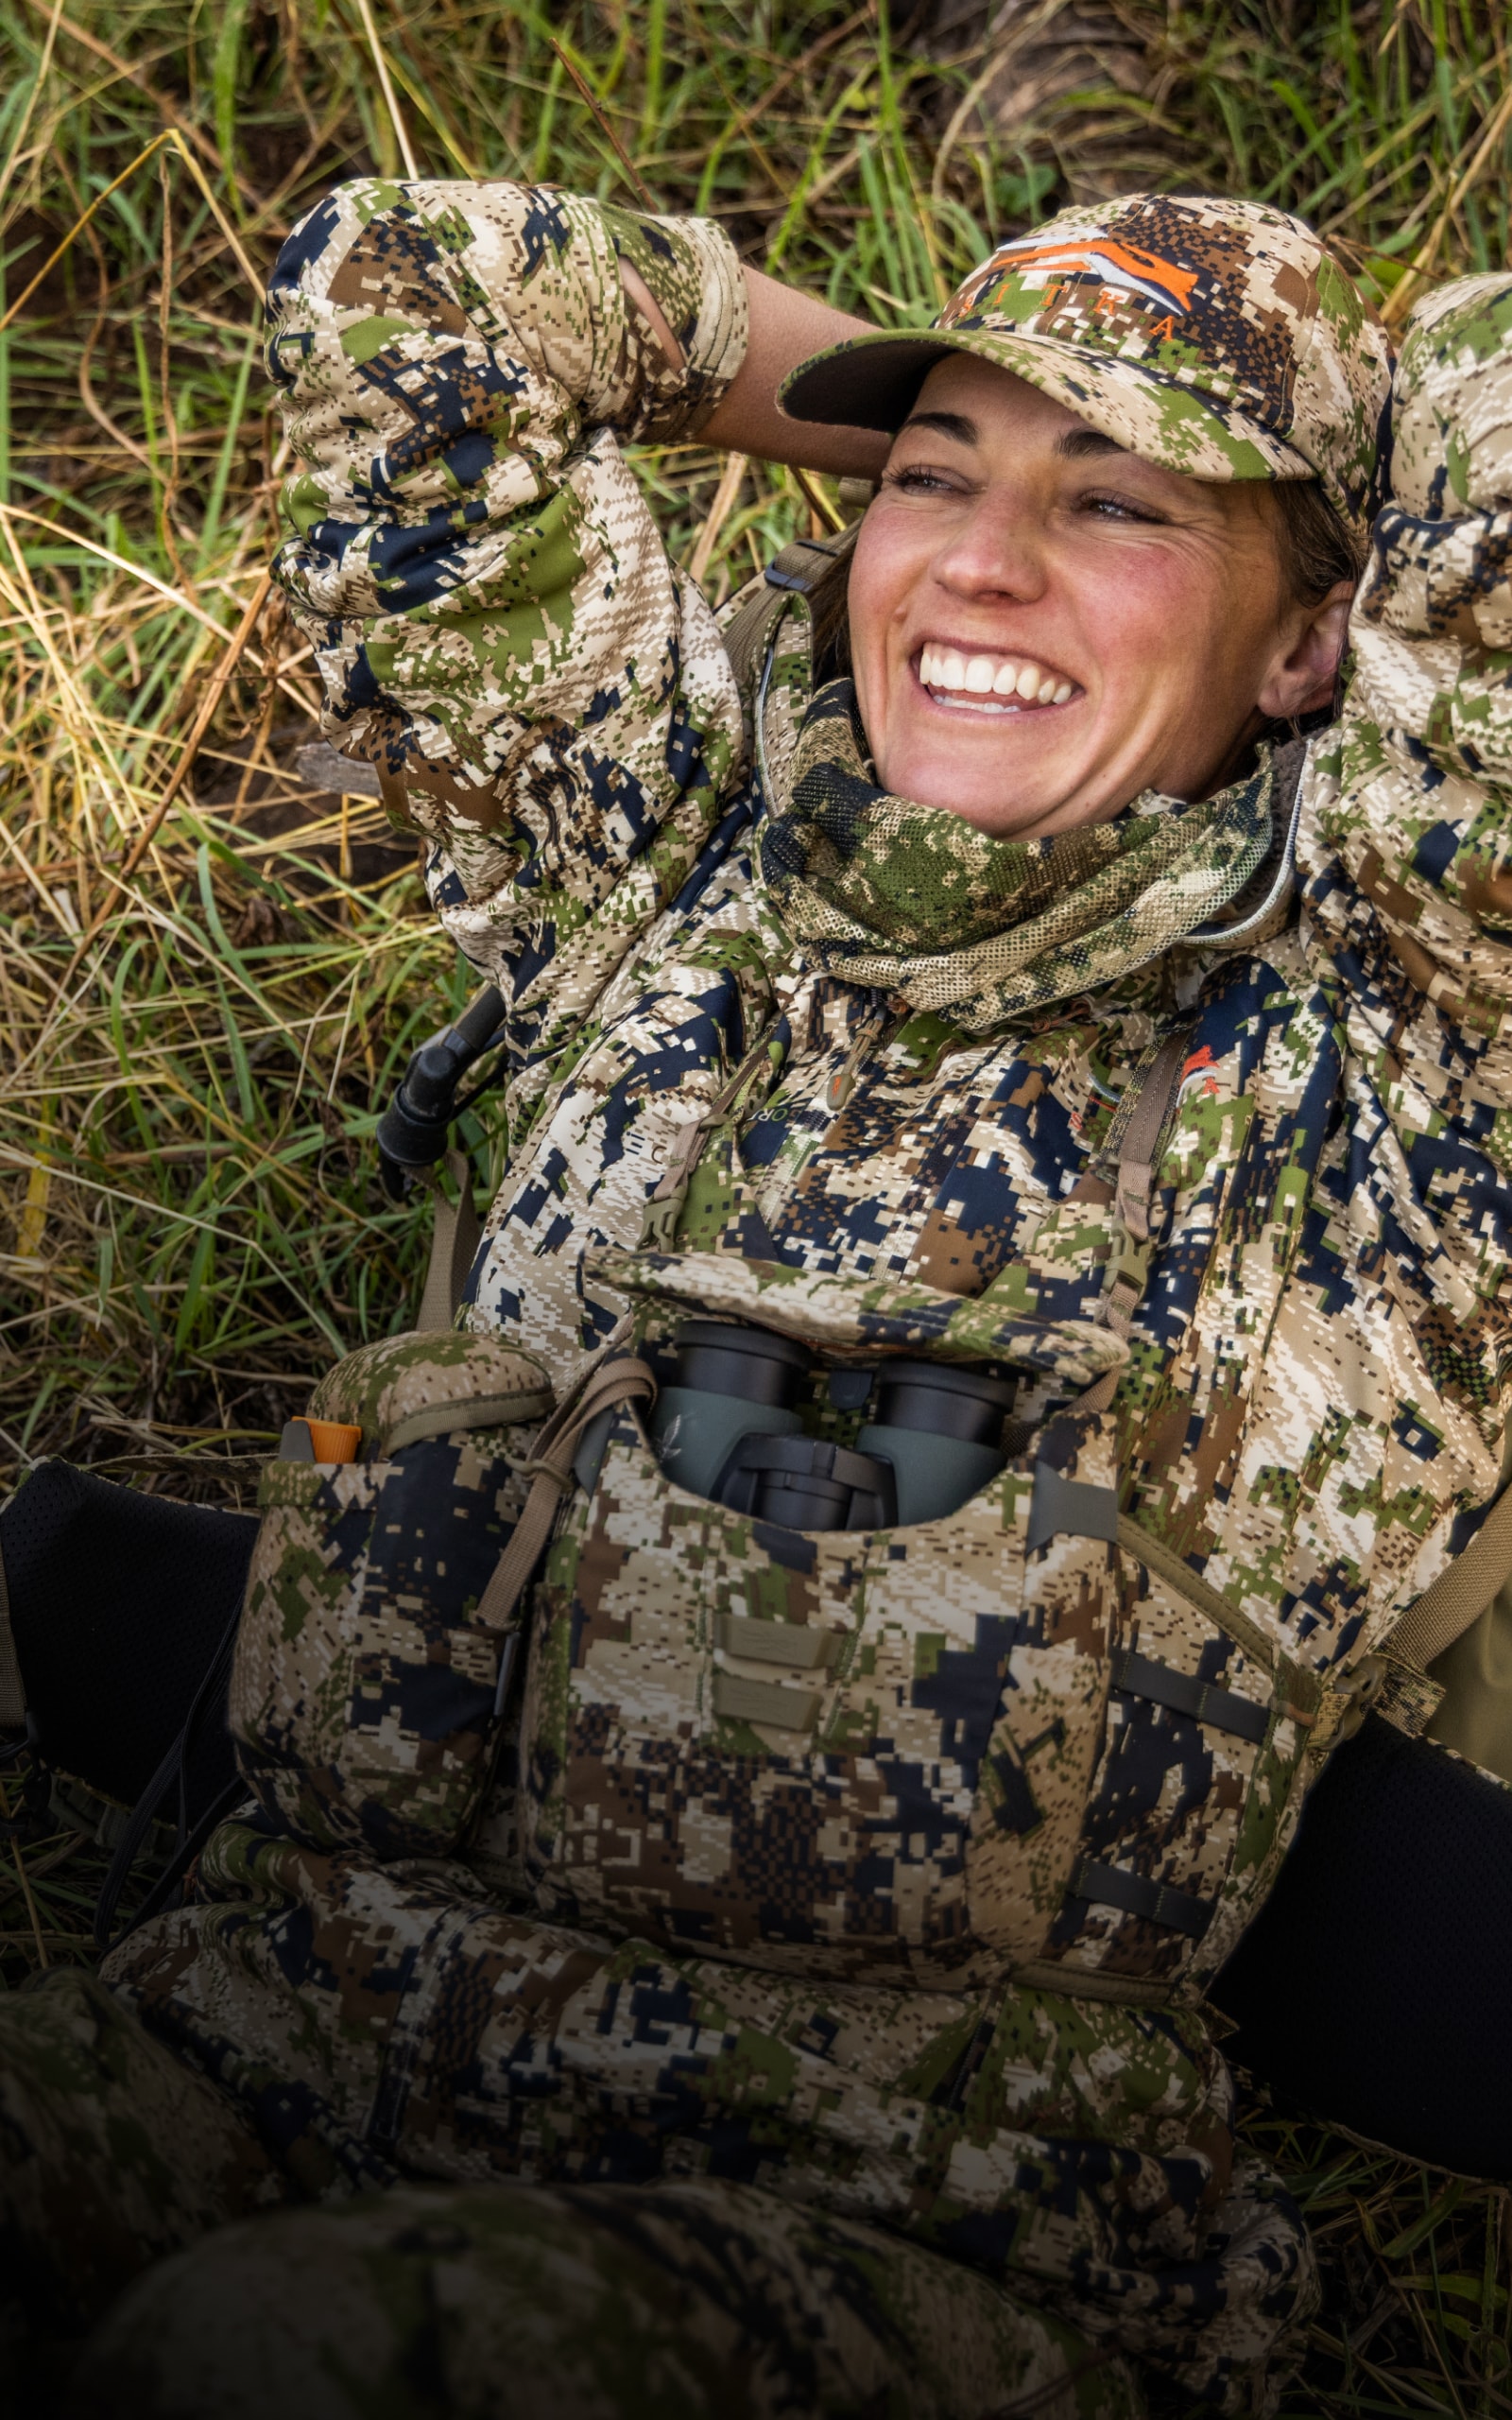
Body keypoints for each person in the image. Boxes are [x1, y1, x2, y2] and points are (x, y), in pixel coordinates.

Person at [4, 177, 1511, 2420]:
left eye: (1111, 505)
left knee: (275, 2347)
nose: (977, 563)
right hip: (260, 2029)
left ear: (1318, 635)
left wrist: (1323, 495)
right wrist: (928, 439)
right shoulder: (654, 848)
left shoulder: (1392, 1043)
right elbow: (411, 295)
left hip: (882, 2230)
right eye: (932, 475)